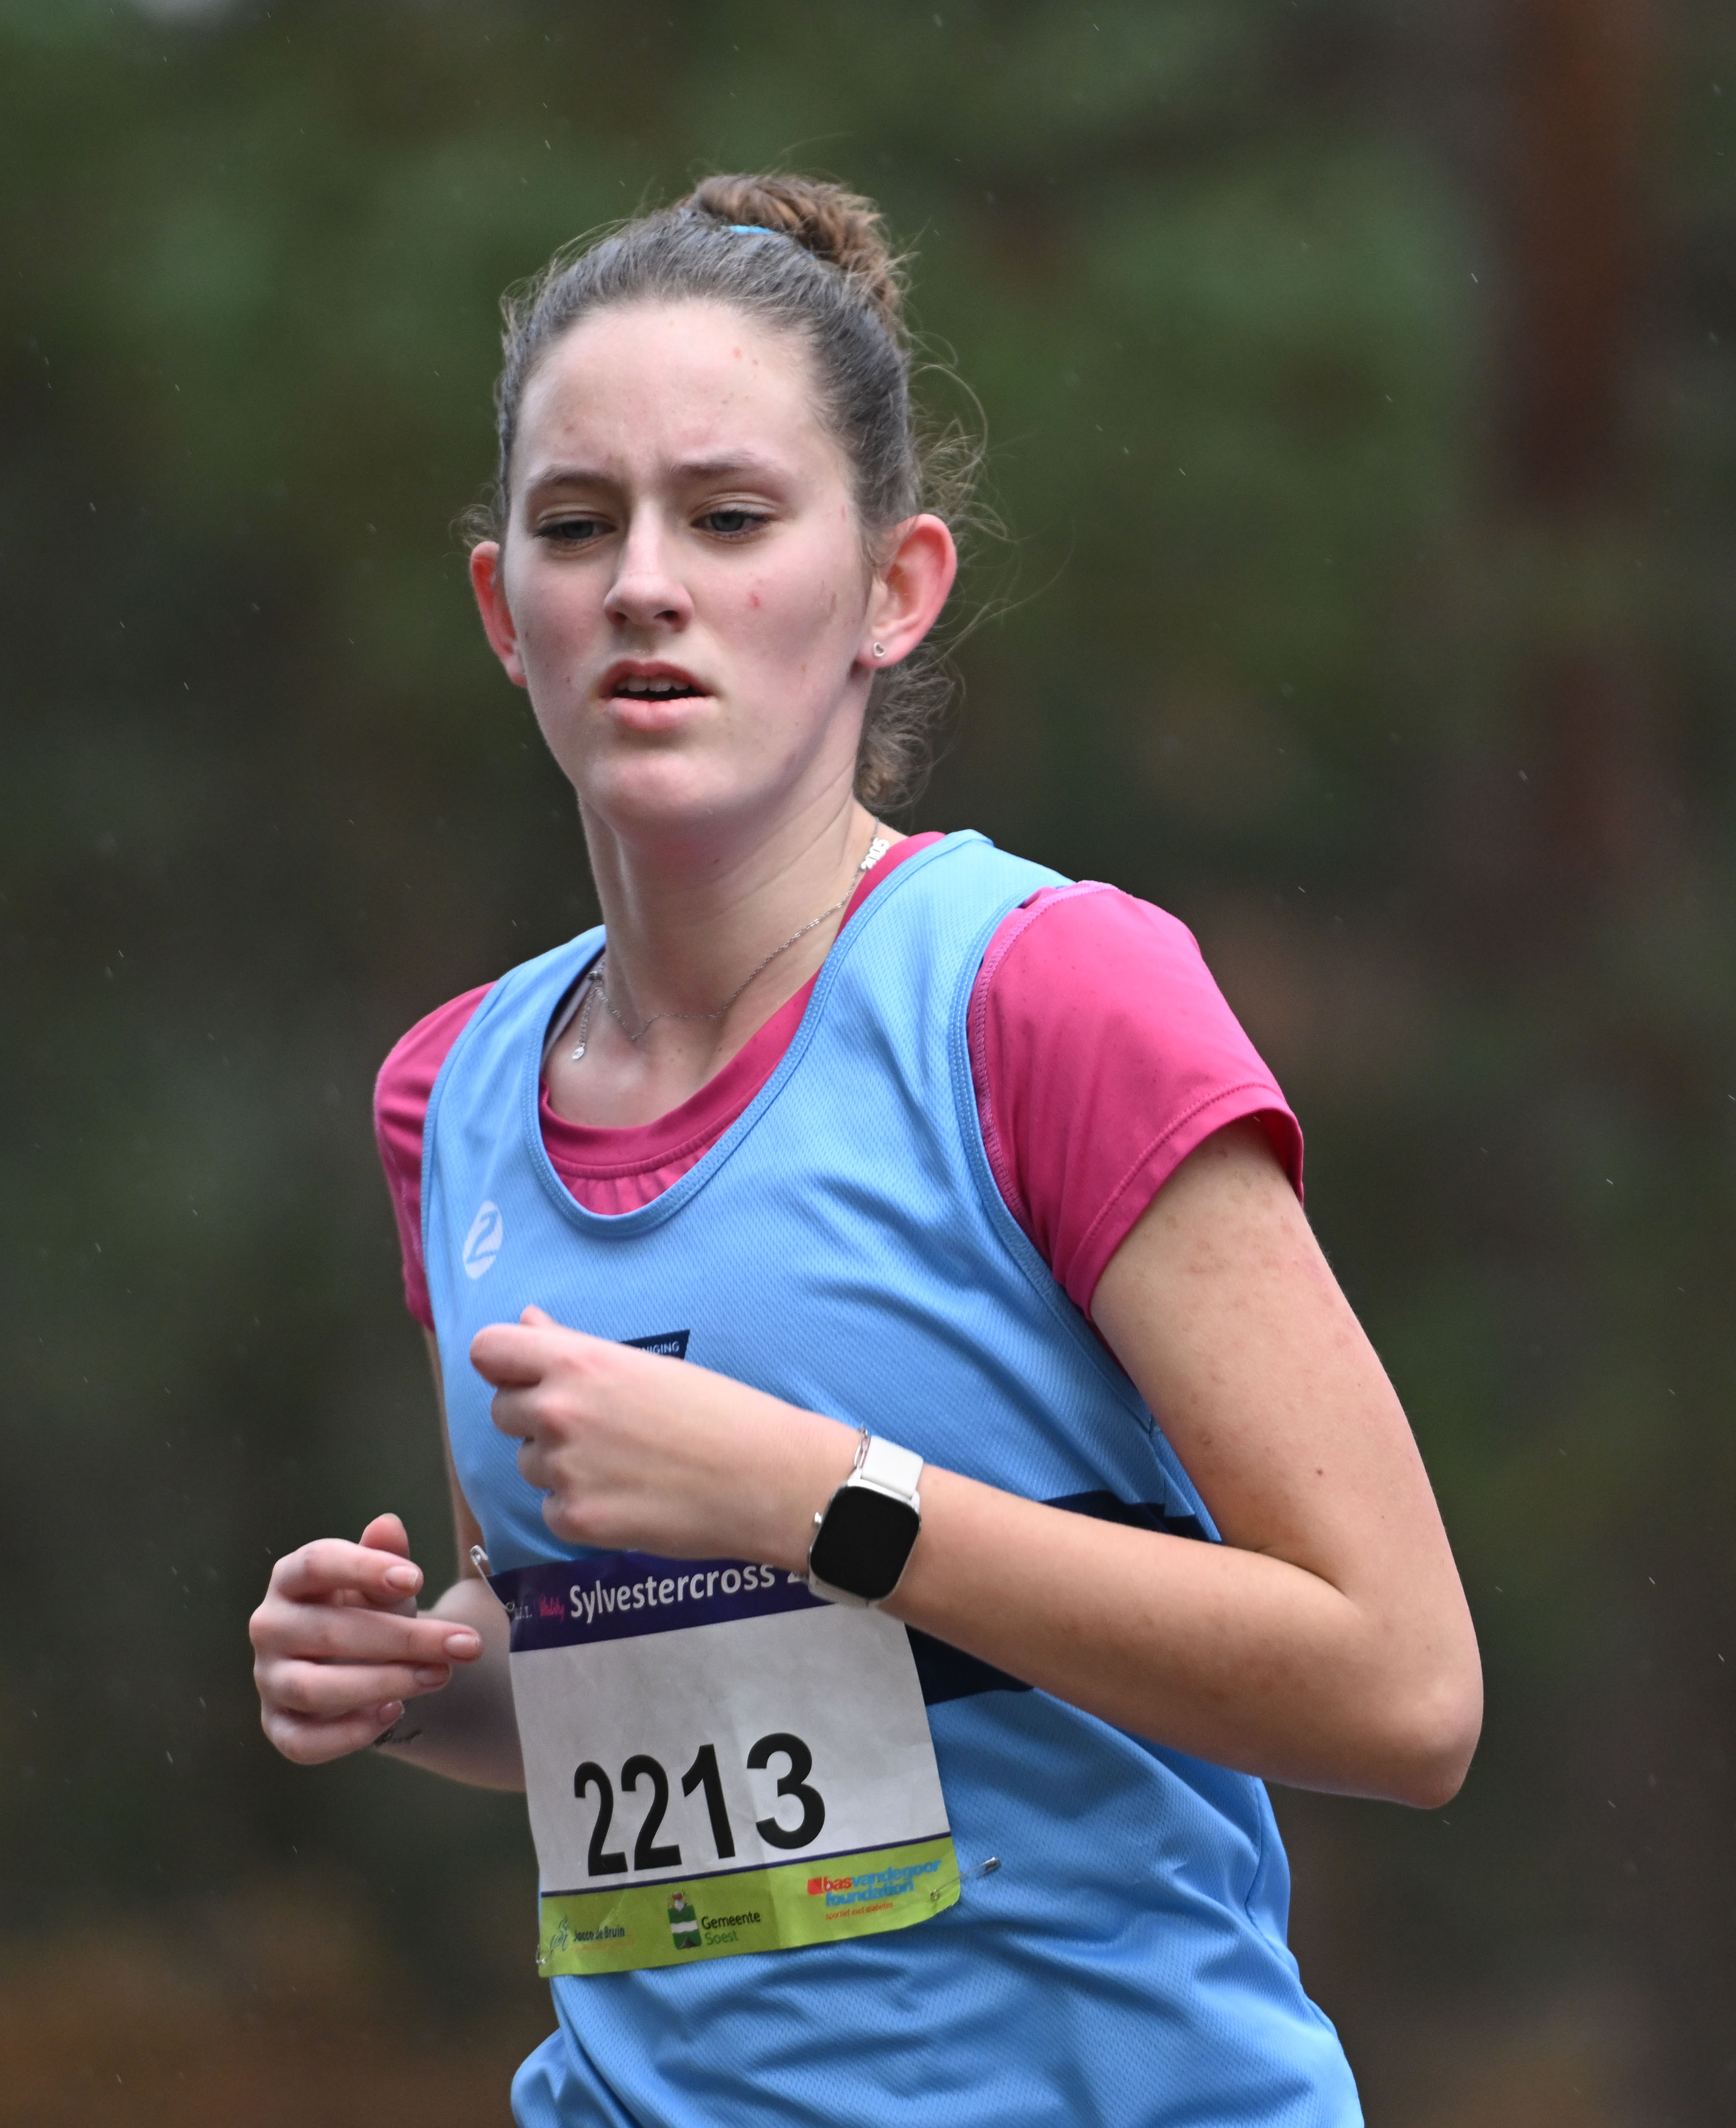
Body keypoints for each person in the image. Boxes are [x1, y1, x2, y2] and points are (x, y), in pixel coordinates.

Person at [249, 171, 1480, 2126]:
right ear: (504, 612)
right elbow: (624, 1670)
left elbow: (1403, 1695)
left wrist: (822, 1495)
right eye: (578, 525)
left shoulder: (1046, 998)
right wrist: (417, 1680)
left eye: (730, 518)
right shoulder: (452, 1093)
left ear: (895, 589)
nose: (644, 584)